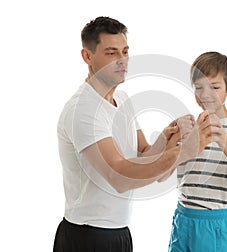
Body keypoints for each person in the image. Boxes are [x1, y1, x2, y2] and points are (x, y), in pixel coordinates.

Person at [53, 17, 216, 252]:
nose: (122, 60)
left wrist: (168, 138)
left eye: (125, 51)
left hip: (120, 232)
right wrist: (184, 151)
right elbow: (119, 177)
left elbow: (146, 159)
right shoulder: (84, 110)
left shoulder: (123, 100)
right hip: (87, 236)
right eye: (111, 53)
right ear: (87, 57)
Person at [168, 51, 227, 252]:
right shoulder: (188, 126)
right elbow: (165, 171)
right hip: (183, 219)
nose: (205, 94)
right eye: (199, 88)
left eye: (214, 87)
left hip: (218, 223)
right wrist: (172, 139)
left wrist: (222, 139)